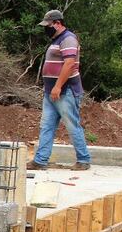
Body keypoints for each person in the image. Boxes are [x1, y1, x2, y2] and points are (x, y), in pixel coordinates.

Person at [27, 10, 91, 171]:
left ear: (57, 23)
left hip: (65, 91)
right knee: (46, 125)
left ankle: (83, 160)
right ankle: (40, 160)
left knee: (72, 125)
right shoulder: (57, 39)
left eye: (48, 25)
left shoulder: (68, 39)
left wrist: (58, 86)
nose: (45, 29)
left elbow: (69, 64)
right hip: (51, 92)